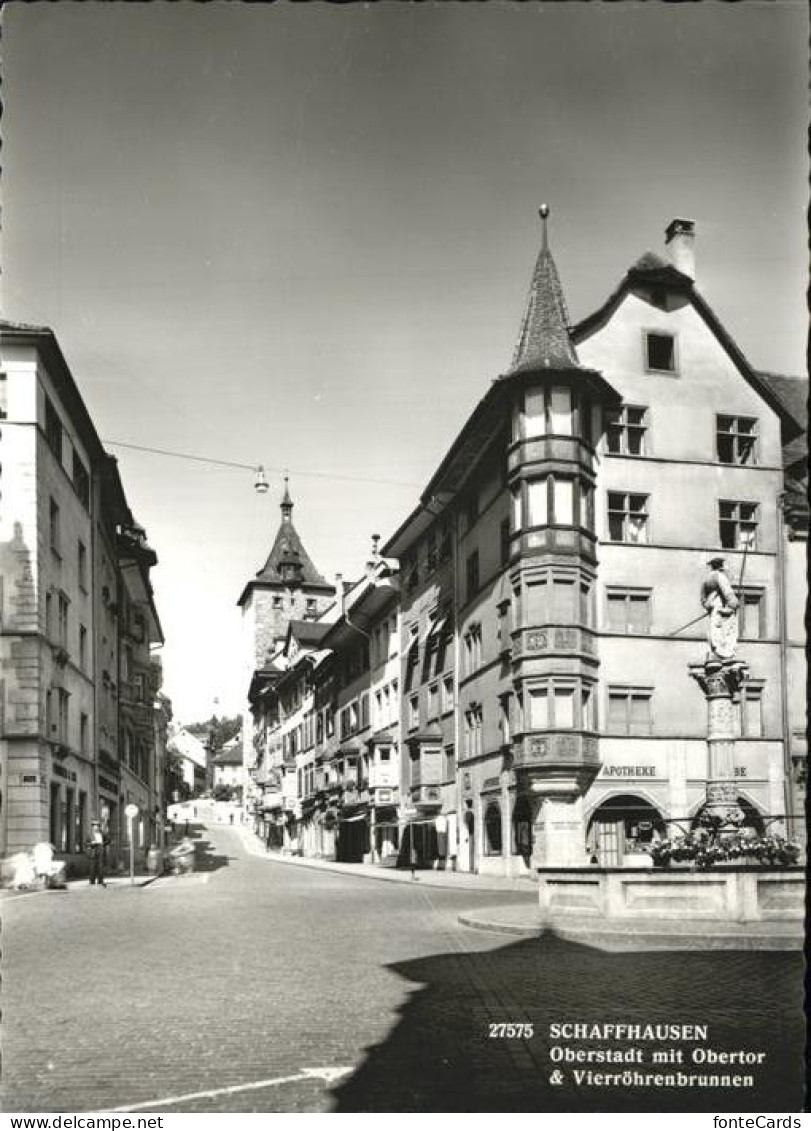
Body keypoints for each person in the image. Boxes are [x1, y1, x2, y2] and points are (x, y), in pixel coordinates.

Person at [85, 820, 109, 886]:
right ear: (93, 827)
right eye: (95, 826)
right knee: (93, 866)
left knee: (100, 866)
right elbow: (86, 843)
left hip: (100, 850)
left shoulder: (103, 833)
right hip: (93, 850)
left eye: (98, 826)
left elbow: (108, 840)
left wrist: (103, 844)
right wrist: (91, 843)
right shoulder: (89, 834)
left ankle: (100, 880)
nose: (96, 828)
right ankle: (92, 880)